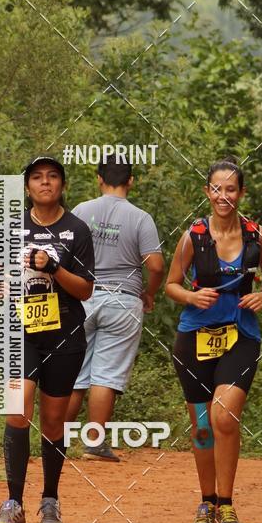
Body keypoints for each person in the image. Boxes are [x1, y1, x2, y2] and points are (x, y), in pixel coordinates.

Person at [165, 158, 262, 523]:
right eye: (217, 189)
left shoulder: (255, 236)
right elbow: (172, 284)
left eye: (231, 189)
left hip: (240, 336)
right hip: (194, 338)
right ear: (207, 192)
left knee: (224, 417)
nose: (223, 196)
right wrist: (191, 298)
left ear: (241, 193)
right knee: (202, 427)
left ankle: (227, 505)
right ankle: (206, 501)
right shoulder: (192, 237)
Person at [0, 157, 95, 523]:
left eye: (52, 176)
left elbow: (85, 289)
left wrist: (53, 267)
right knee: (17, 407)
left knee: (53, 420)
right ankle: (13, 502)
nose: (45, 182)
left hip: (64, 333)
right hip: (20, 331)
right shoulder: (11, 226)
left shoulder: (77, 229)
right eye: (37, 177)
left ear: (62, 185)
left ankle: (49, 500)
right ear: (28, 187)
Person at [65, 158, 164, 460]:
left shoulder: (81, 211)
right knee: (105, 376)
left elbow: (63, 254)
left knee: (74, 374)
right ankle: (94, 443)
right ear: (131, 181)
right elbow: (156, 265)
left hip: (82, 298)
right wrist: (149, 291)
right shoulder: (140, 217)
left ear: (98, 179)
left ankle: (56, 440)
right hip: (123, 300)